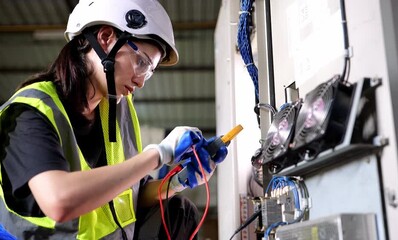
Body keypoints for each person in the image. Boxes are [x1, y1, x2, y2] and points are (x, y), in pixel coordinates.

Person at [0, 0, 228, 239]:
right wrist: (158, 154)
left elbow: (129, 196)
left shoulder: (118, 109)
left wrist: (178, 180)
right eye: (141, 63)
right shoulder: (29, 113)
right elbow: (59, 202)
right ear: (106, 38)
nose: (141, 81)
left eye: (149, 72)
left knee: (179, 213)